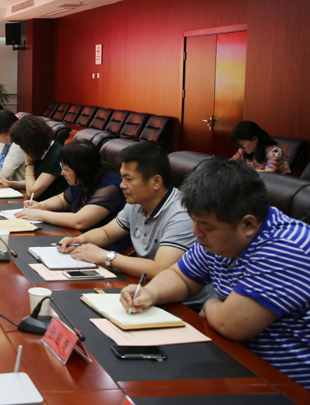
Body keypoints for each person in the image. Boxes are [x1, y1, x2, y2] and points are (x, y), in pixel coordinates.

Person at [120, 159, 310, 388]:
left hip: (285, 385)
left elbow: (232, 325)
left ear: (248, 225)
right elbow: (181, 276)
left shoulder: (286, 248)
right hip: (235, 362)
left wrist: (210, 305)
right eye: (194, 222)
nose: (196, 233)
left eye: (205, 226)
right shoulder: (221, 235)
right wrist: (150, 293)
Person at [57, 142, 195, 277]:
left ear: (156, 182)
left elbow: (160, 269)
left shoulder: (181, 215)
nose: (122, 185)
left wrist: (106, 256)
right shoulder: (136, 202)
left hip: (170, 289)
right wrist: (79, 240)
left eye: (129, 179)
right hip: (142, 281)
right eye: (122, 178)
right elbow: (106, 233)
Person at [18, 140, 128, 239]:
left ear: (81, 169)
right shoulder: (83, 178)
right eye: (63, 168)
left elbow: (79, 221)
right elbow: (62, 200)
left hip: (103, 244)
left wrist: (39, 214)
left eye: (66, 170)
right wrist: (41, 206)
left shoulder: (109, 188)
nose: (62, 173)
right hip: (79, 237)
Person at [9, 115, 68, 202]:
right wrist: (10, 184)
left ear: (31, 143)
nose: (21, 148)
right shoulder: (41, 150)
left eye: (22, 145)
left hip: (51, 206)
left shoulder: (56, 156)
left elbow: (32, 192)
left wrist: (29, 165)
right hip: (39, 204)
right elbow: (35, 183)